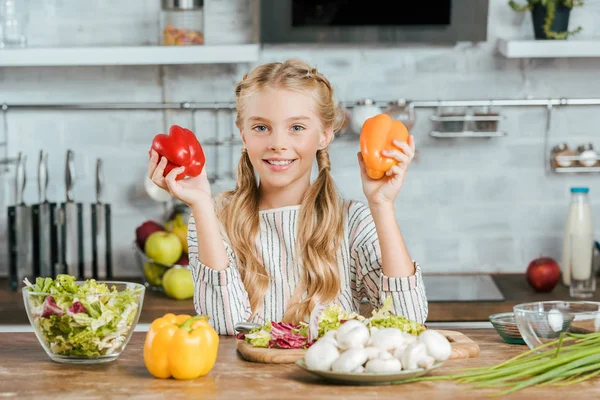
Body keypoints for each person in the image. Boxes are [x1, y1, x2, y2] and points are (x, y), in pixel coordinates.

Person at [147, 59, 427, 335]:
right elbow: (225, 324)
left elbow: (407, 321)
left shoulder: (353, 221)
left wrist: (382, 205)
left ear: (325, 135)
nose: (278, 144)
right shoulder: (214, 217)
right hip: (249, 380)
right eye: (261, 127)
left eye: (296, 128)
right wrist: (201, 204)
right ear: (243, 135)